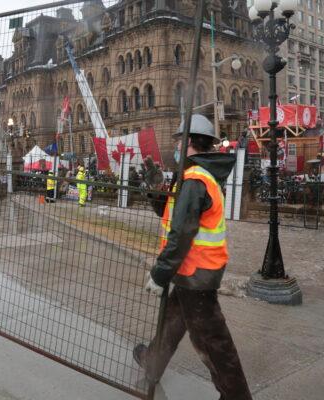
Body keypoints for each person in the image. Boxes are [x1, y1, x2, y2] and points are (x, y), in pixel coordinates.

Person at [134, 114, 252, 400]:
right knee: (173, 321)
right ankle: (152, 362)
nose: (176, 147)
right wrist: (155, 187)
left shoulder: (194, 179)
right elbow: (172, 216)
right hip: (193, 272)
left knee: (214, 343)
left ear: (189, 142)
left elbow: (182, 233)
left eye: (178, 141)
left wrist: (160, 273)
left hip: (196, 274)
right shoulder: (194, 176)